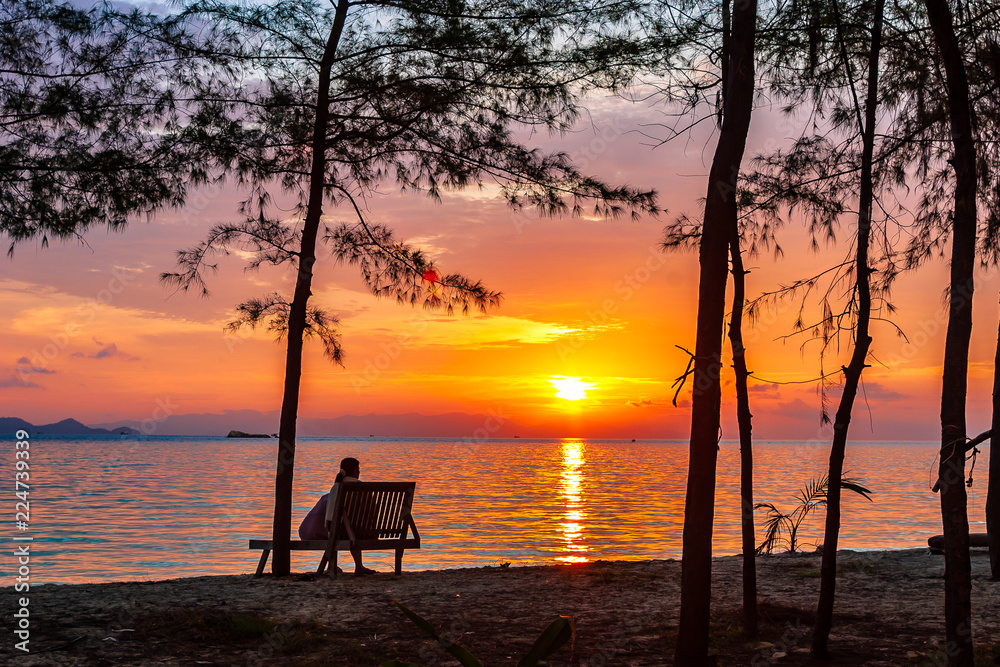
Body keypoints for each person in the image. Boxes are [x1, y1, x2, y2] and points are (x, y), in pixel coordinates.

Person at [297, 457, 377, 575]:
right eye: (359, 470)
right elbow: (372, 512)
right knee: (352, 528)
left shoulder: (337, 487)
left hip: (341, 532)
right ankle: (358, 566)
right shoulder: (364, 488)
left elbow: (330, 517)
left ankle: (332, 565)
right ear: (355, 471)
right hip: (365, 532)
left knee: (334, 529)